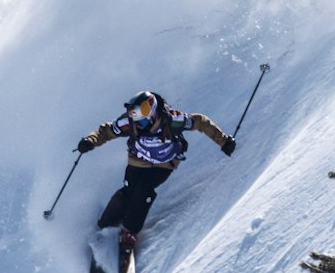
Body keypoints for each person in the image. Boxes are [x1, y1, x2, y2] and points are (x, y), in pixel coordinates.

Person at [76, 90, 236, 249]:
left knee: (143, 190)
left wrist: (224, 141)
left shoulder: (171, 120)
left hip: (164, 163)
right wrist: (91, 141)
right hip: (138, 160)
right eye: (134, 113)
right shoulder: (129, 123)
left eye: (143, 112)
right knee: (129, 190)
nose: (138, 118)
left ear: (152, 109)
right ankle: (105, 224)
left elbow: (200, 121)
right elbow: (107, 131)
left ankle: (130, 231)